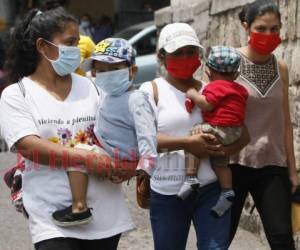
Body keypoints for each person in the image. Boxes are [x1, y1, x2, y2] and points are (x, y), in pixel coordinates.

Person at [0, 7, 135, 250]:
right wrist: (85, 158)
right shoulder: (17, 94)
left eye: (78, 42)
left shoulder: (94, 87)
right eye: (70, 42)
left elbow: (122, 128)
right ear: (43, 46)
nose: (76, 50)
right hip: (51, 216)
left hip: (104, 212)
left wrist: (127, 164)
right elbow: (28, 146)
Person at [139, 22, 249, 250]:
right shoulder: (151, 91)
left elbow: (243, 135)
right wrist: (188, 143)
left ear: (200, 56)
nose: (185, 57)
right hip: (168, 194)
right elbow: (144, 141)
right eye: (177, 53)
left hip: (211, 190)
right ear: (162, 57)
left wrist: (220, 150)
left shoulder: (214, 89)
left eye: (191, 52)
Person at [52, 37, 157, 226]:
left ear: (132, 71)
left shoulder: (137, 99)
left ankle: (79, 208)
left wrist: (144, 168)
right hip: (107, 152)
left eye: (114, 69)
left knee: (78, 155)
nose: (106, 75)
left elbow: (146, 134)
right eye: (100, 70)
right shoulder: (106, 94)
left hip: (120, 158)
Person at [229, 1, 297, 249]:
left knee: (282, 239)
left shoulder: (281, 67)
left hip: (272, 165)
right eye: (261, 28)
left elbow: (285, 123)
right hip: (232, 165)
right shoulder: (228, 62)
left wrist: (292, 172)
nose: (268, 35)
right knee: (219, 237)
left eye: (274, 29)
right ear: (246, 26)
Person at [180, 46, 248, 219]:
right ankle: (227, 191)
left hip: (220, 128)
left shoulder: (215, 86)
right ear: (236, 75)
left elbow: (207, 104)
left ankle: (190, 178)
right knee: (220, 164)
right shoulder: (240, 89)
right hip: (235, 132)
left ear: (209, 71)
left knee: (192, 139)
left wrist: (193, 94)